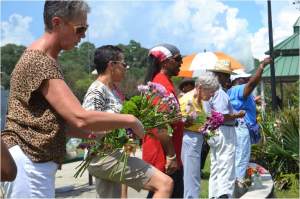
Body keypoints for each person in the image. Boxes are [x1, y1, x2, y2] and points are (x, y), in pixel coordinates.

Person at [0, 1, 146, 198]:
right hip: (29, 162)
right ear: (57, 23)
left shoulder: (44, 59)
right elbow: (80, 118)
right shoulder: (40, 62)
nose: (84, 35)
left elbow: (62, 125)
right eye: (80, 29)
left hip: (34, 161)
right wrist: (131, 120)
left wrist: (103, 134)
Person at [82, 45, 174, 198]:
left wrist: (130, 140)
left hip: (114, 154)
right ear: (111, 65)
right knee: (165, 184)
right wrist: (124, 126)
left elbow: (124, 130)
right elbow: (88, 126)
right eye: (124, 64)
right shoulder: (97, 90)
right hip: (102, 156)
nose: (126, 68)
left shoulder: (114, 91)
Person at [143, 43, 184, 198]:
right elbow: (160, 125)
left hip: (169, 153)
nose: (181, 62)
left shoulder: (165, 83)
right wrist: (171, 156)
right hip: (164, 155)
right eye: (178, 59)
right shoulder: (160, 86)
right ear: (165, 62)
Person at [227, 58, 271, 192]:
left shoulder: (232, 91)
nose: (247, 81)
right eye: (244, 79)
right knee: (242, 155)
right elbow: (252, 84)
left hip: (237, 126)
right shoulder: (239, 89)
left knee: (237, 156)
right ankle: (239, 187)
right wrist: (262, 66)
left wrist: (254, 101)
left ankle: (236, 183)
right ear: (237, 80)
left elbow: (243, 100)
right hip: (242, 127)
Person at [204, 60, 245, 198]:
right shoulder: (220, 92)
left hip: (213, 130)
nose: (228, 79)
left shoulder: (209, 91)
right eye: (226, 75)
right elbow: (222, 116)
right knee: (226, 164)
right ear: (219, 76)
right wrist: (237, 114)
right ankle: (224, 194)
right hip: (224, 130)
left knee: (216, 165)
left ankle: (214, 195)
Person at [179, 72, 220, 198]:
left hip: (195, 140)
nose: (212, 94)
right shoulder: (187, 101)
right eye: (210, 91)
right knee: (191, 178)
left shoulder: (200, 101)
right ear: (201, 87)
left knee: (194, 176)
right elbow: (178, 122)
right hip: (189, 139)